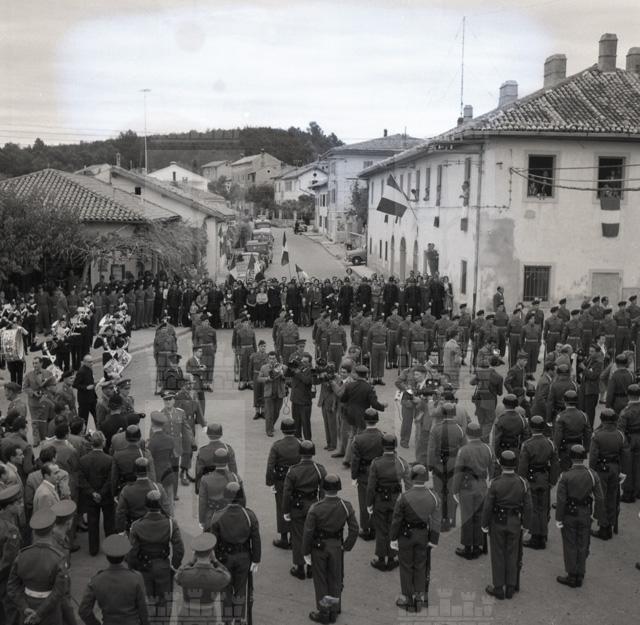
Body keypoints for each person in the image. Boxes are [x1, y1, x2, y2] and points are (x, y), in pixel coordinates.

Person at [302, 474, 359, 624]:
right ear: (338, 488)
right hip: (336, 546)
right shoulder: (346, 506)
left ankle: (324, 613)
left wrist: (306, 552)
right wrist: (346, 546)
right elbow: (354, 529)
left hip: (319, 548)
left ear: (324, 488)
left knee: (321, 580)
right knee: (335, 579)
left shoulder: (316, 508)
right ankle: (334, 610)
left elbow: (308, 532)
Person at [481, 450, 532, 600]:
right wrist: (526, 525)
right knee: (513, 554)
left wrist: (484, 524)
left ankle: (498, 588)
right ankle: (510, 587)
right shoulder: (522, 482)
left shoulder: (495, 483)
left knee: (498, 554)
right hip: (515, 521)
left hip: (498, 522)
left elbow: (488, 506)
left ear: (501, 465)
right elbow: (528, 506)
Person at [7, 509, 73, 625]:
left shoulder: (22, 555)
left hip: (27, 606)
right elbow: (60, 591)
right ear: (52, 530)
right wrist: (39, 613)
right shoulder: (58, 558)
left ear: (34, 532)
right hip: (50, 611)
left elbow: (12, 586)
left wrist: (24, 607)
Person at [389, 464, 441, 612]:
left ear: (412, 477)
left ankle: (407, 598)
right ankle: (419, 598)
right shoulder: (433, 496)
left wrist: (393, 538)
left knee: (406, 566)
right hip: (423, 535)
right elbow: (436, 520)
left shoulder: (404, 497)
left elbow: (396, 520)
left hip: (406, 536)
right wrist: (434, 540)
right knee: (420, 566)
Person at [555, 444, 606, 588]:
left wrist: (559, 518)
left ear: (571, 458)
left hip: (569, 514)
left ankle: (572, 575)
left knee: (570, 544)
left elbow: (561, 500)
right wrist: (596, 515)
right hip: (585, 512)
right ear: (584, 458)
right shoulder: (592, 474)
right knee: (583, 543)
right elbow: (600, 498)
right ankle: (580, 573)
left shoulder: (566, 476)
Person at [210, 482, 261, 624]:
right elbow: (255, 538)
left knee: (225, 590)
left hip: (224, 558)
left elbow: (213, 540)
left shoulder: (217, 515)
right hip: (243, 557)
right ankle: (238, 620)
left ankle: (227, 621)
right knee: (240, 589)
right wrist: (256, 560)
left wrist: (215, 561)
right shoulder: (249, 515)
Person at [128, 490, 184, 613]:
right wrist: (174, 566)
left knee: (145, 601)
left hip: (143, 566)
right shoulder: (170, 523)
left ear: (146, 505)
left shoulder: (136, 525)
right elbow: (179, 549)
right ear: (160, 505)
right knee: (164, 602)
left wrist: (133, 568)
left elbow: (132, 552)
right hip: (163, 565)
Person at [78, 533, 150, 625]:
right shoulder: (136, 577)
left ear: (107, 556)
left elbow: (84, 611)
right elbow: (144, 609)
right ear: (125, 555)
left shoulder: (96, 580)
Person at [282, 440, 327, 580]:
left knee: (297, 537)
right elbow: (323, 491)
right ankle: (311, 567)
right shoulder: (319, 469)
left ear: (300, 453)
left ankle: (300, 567)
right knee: (313, 536)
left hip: (297, 507)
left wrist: (286, 511)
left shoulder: (293, 470)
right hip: (313, 506)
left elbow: (287, 493)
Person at [367, 433, 411, 571]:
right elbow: (408, 484)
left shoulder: (376, 463)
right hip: (395, 500)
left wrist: (369, 503)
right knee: (393, 528)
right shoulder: (402, 463)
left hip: (379, 500)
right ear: (395, 445)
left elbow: (371, 487)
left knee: (381, 529)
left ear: (383, 446)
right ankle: (392, 558)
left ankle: (381, 559)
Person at [452, 422, 494, 560]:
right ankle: (477, 546)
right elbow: (492, 467)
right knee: (479, 517)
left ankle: (468, 547)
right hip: (482, 485)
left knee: (467, 517)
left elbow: (458, 471)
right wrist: (490, 480)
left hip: (467, 485)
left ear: (468, 434)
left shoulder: (464, 450)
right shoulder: (488, 448)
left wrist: (455, 489)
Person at [517, 415, 560, 549]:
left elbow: (523, 466)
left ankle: (536, 537)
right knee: (544, 507)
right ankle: (543, 533)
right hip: (545, 477)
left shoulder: (527, 445)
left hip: (531, 479)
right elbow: (555, 464)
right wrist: (553, 481)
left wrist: (522, 482)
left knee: (534, 508)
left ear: (531, 428)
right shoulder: (550, 443)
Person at [174, 532, 232, 625]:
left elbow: (177, 576)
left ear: (195, 554)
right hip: (208, 616)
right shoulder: (217, 576)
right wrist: (215, 561)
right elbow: (227, 576)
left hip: (187, 615)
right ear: (211, 553)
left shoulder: (185, 574)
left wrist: (191, 562)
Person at [589, 408, 629, 540]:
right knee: (612, 498)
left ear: (602, 420)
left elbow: (593, 456)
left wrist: (591, 471)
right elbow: (625, 454)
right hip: (615, 469)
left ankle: (603, 527)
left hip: (601, 470)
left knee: (601, 498)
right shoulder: (620, 435)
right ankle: (610, 524)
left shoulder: (597, 435)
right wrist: (623, 471)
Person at [427, 402, 466, 531]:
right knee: (452, 492)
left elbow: (431, 449)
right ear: (453, 413)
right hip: (454, 463)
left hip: (439, 463)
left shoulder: (435, 428)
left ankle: (440, 520)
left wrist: (430, 465)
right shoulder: (459, 429)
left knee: (439, 491)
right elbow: (464, 449)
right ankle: (451, 519)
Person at [265, 417, 301, 549]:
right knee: (296, 506)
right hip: (297, 480)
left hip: (281, 481)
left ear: (282, 430)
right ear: (294, 430)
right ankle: (294, 537)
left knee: (282, 507)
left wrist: (270, 482)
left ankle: (284, 538)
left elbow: (270, 466)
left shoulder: (277, 445)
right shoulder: (300, 443)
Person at [78, 430, 114, 557]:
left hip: (90, 497)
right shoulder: (109, 460)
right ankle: (110, 548)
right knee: (109, 523)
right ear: (103, 443)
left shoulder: (83, 460)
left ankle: (93, 549)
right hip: (106, 496)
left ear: (91, 443)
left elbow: (82, 480)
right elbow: (110, 480)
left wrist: (92, 493)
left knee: (92, 523)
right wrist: (101, 493)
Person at [350, 408, 384, 540]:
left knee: (364, 501)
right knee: (377, 500)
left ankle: (365, 528)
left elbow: (355, 460)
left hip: (364, 474)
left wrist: (354, 476)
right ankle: (375, 527)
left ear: (365, 420)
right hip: (379, 472)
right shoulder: (382, 436)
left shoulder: (359, 438)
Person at [115, 458, 170, 533]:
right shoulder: (158, 488)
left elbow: (120, 513)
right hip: (155, 527)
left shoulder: (127, 490)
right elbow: (167, 509)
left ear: (135, 472)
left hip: (135, 528)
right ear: (148, 471)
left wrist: (121, 530)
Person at [199, 449, 245, 531]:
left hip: (211, 517)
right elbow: (242, 501)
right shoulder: (235, 478)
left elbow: (202, 502)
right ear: (227, 461)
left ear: (214, 461)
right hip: (230, 516)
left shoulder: (205, 479)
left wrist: (202, 520)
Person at [554, 390, 592, 471]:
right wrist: (586, 449)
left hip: (565, 449)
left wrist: (555, 451)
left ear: (565, 402)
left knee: (565, 472)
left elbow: (558, 436)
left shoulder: (561, 416)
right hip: (579, 447)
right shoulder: (583, 415)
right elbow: (588, 433)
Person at [0, 485, 22, 625]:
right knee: (11, 613)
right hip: (6, 581)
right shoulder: (11, 530)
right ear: (9, 507)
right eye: (17, 503)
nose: (21, 505)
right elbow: (9, 562)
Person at [470, 356, 504, 442]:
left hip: (478, 400)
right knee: (489, 422)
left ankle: (484, 441)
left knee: (482, 421)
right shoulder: (499, 377)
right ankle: (483, 439)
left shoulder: (479, 373)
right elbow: (500, 393)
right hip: (490, 401)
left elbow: (471, 382)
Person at [258, 351, 287, 437]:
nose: (272, 360)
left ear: (276, 359)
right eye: (270, 358)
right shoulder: (264, 367)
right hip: (268, 394)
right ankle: (269, 430)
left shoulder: (282, 367)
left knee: (276, 412)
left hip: (279, 393)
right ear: (268, 359)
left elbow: (287, 377)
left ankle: (271, 425)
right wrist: (267, 378)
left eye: (273, 358)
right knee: (269, 413)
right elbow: (259, 378)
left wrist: (282, 374)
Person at [619, 383, 640, 502]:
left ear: (628, 395)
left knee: (627, 466)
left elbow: (620, 430)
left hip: (630, 439)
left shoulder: (626, 411)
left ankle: (628, 493)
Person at [73, 354, 97, 426]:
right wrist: (86, 387)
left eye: (92, 361)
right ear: (85, 362)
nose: (91, 363)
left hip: (92, 398)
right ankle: (82, 432)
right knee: (83, 420)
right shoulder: (81, 372)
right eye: (90, 362)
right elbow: (75, 385)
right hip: (84, 401)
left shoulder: (89, 369)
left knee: (97, 417)